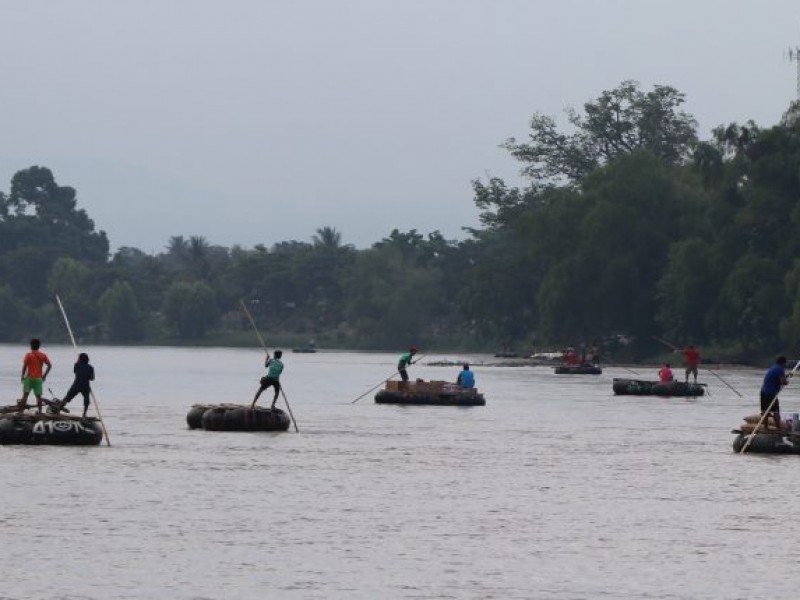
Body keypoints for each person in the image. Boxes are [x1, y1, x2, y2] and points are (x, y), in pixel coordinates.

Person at [18, 338, 52, 414]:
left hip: (29, 378)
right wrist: (45, 375)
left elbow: (25, 366)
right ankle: (40, 412)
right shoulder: (43, 355)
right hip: (38, 379)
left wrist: (22, 376)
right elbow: (49, 365)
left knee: (25, 395)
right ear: (39, 346)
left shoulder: (28, 355)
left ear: (31, 346)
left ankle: (21, 411)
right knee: (38, 396)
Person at [56, 353, 95, 418]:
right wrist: (87, 376)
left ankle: (58, 410)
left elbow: (75, 372)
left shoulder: (76, 365)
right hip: (85, 385)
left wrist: (78, 363)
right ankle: (84, 414)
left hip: (76, 385)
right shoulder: (90, 368)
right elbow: (92, 378)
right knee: (86, 401)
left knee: (67, 398)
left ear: (80, 359)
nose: (77, 359)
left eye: (78, 358)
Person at [760, 355, 790, 430]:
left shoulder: (773, 367)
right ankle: (778, 428)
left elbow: (776, 378)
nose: (786, 365)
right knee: (776, 411)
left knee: (765, 411)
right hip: (771, 393)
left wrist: (786, 376)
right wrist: (787, 382)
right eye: (785, 363)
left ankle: (766, 428)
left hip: (763, 392)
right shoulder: (780, 369)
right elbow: (782, 382)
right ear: (783, 363)